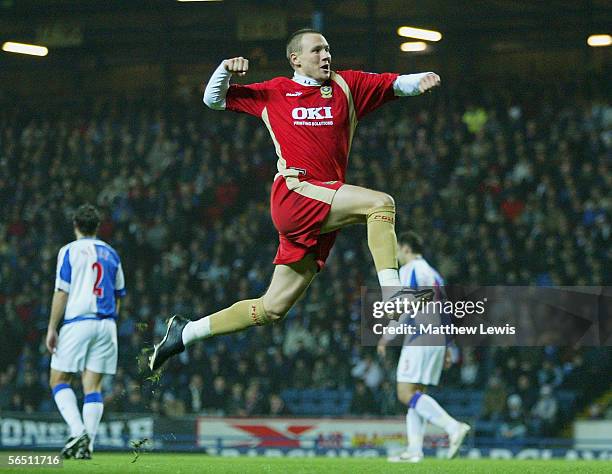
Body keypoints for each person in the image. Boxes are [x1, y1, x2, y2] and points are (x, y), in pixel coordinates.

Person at [149, 28, 439, 370]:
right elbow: (213, 99)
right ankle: (393, 294)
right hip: (296, 194)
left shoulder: (348, 86)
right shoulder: (275, 92)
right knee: (380, 204)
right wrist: (225, 69)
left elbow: (395, 83)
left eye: (328, 49)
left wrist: (422, 79)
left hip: (324, 204)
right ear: (295, 59)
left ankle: (184, 333)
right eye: (316, 51)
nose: (325, 56)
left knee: (271, 308)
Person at [378, 231, 470, 463]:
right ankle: (414, 450)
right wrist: (448, 345)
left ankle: (453, 427)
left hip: (420, 336)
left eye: (398, 249)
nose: (396, 254)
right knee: (417, 394)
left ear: (406, 248)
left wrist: (387, 336)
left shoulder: (410, 270)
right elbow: (445, 310)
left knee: (404, 393)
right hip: (436, 337)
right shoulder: (433, 273)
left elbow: (405, 306)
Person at [46, 204, 126, 460]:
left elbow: (62, 291)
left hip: (78, 322)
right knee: (93, 386)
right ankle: (86, 447)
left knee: (59, 380)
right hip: (107, 324)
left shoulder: (68, 251)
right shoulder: (112, 254)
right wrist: (110, 323)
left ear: (75, 225)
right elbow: (118, 295)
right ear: (97, 227)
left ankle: (78, 431)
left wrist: (51, 327)